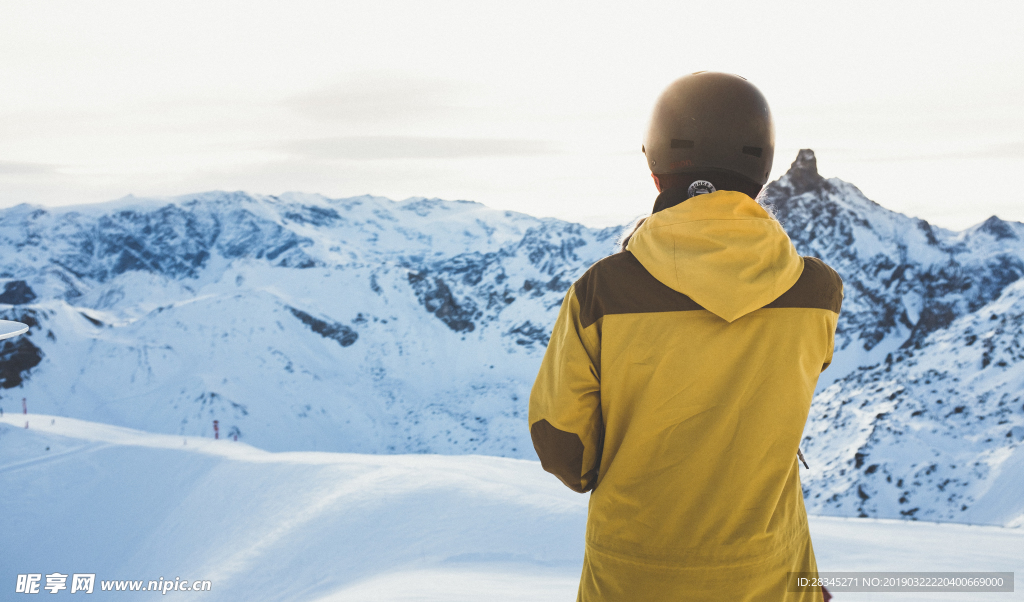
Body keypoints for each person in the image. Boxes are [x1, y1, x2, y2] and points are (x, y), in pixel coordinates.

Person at [528, 72, 842, 601]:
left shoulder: (601, 293)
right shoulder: (816, 293)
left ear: (656, 170)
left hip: (632, 573)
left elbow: (565, 448)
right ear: (761, 171)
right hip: (771, 569)